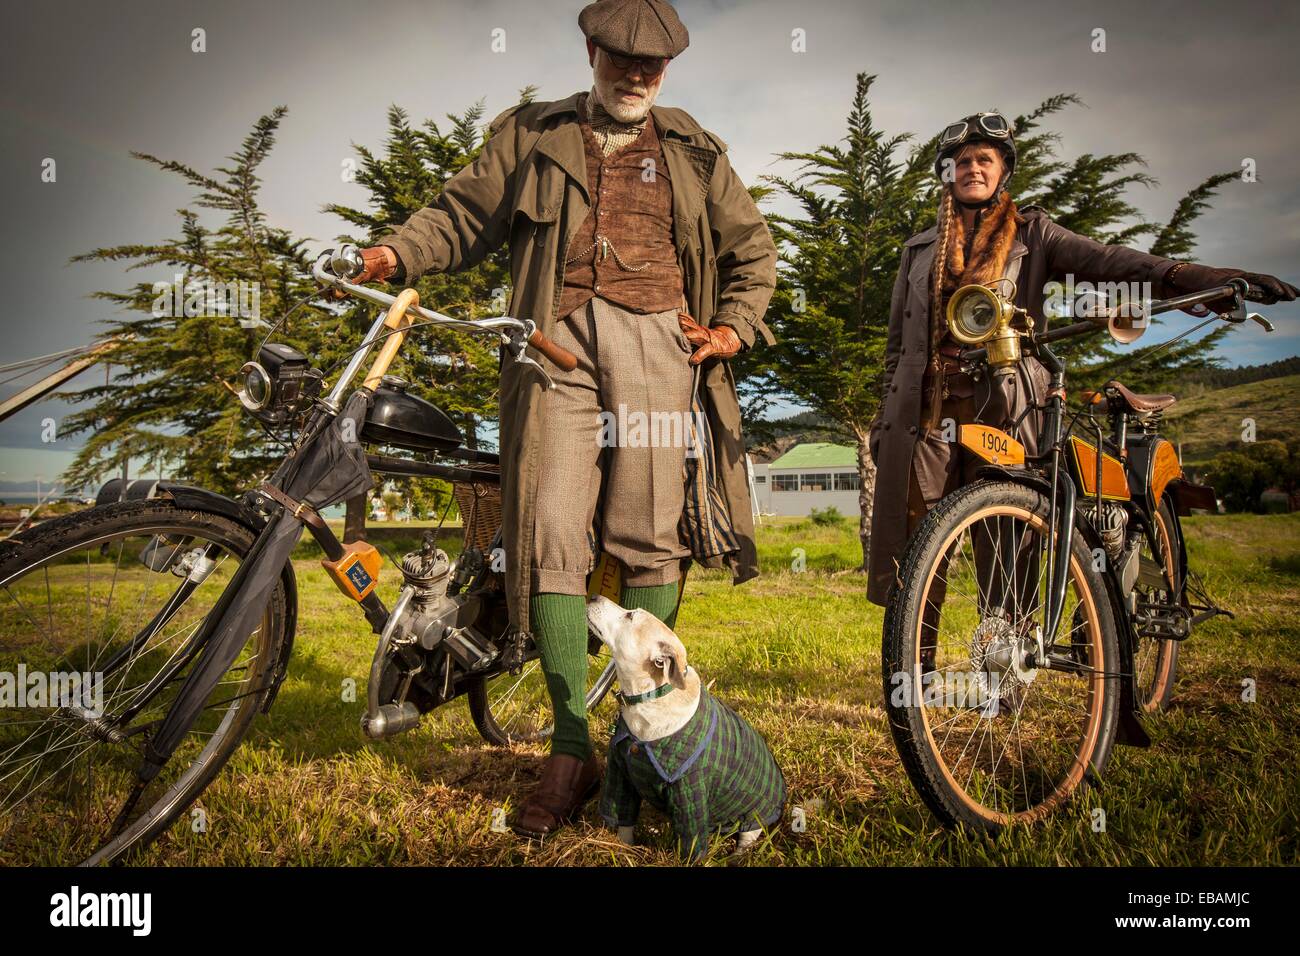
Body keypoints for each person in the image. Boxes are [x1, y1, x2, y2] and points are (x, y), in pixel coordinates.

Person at [346, 0, 777, 838]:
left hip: (662, 346)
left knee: (651, 533)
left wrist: (732, 325)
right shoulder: (531, 132)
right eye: (623, 57)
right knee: (545, 533)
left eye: (655, 64)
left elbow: (752, 252)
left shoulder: (692, 148)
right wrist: (395, 252)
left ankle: (632, 730)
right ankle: (570, 749)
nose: (639, 74)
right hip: (551, 345)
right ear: (592, 50)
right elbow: (462, 216)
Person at [867, 111, 1297, 610]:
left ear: (1002, 170)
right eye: (961, 161)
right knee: (917, 551)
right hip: (926, 414)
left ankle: (1002, 674)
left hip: (1005, 408)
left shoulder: (1034, 235)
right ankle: (911, 675)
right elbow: (896, 347)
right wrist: (884, 418)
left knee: (1010, 540)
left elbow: (1112, 262)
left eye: (984, 159)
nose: (973, 169)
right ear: (948, 173)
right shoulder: (918, 251)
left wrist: (1200, 277)